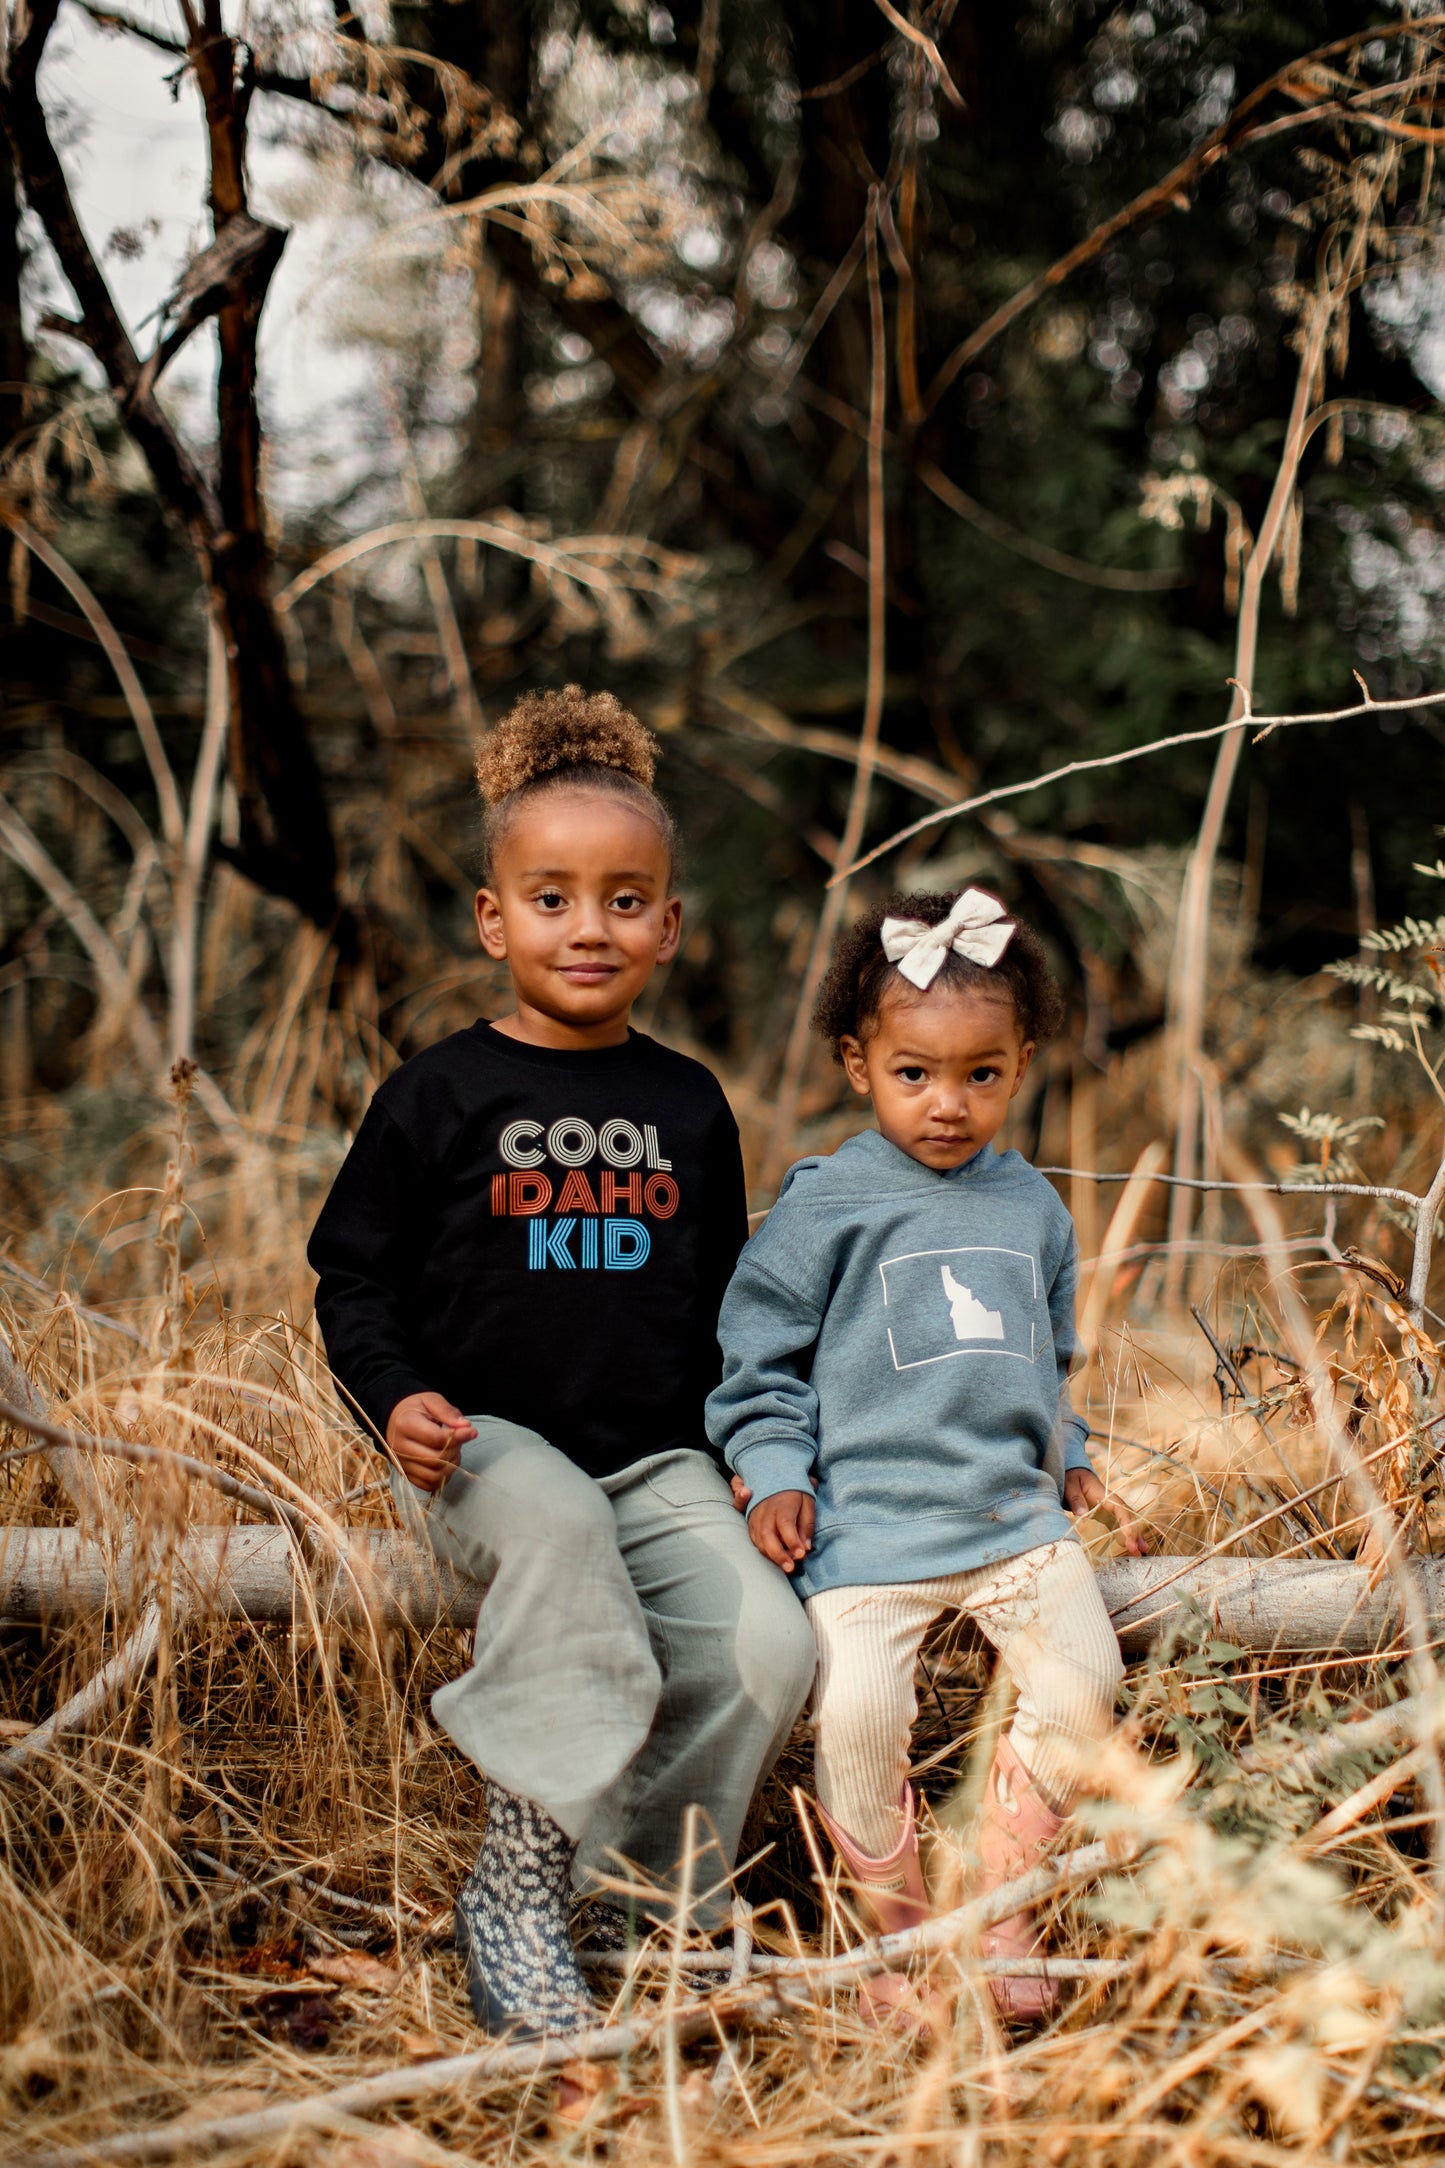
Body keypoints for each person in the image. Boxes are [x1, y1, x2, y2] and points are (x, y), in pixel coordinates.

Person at [308, 687, 815, 2041]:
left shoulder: (689, 1103)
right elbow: (351, 1276)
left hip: (660, 1457)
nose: (589, 926)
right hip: (487, 1447)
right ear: (493, 919)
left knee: (768, 1644)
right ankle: (518, 1887)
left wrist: (754, 1457)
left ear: (668, 926)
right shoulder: (437, 1094)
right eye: (551, 898)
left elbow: (723, 1306)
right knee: (567, 1532)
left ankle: (640, 1899)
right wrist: (395, 1397)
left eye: (624, 900)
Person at [707, 888, 1143, 2022]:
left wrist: (1068, 1451)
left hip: (1009, 1520)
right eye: (914, 1073)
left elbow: (1041, 1356)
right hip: (867, 1528)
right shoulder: (825, 1201)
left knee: (1086, 1681)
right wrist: (778, 1470)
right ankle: (894, 1939)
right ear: (858, 1062)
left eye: (980, 1074)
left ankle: (993, 1902)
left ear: (1021, 1062)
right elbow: (757, 1361)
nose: (947, 1104)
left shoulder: (1032, 1205)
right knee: (853, 1713)